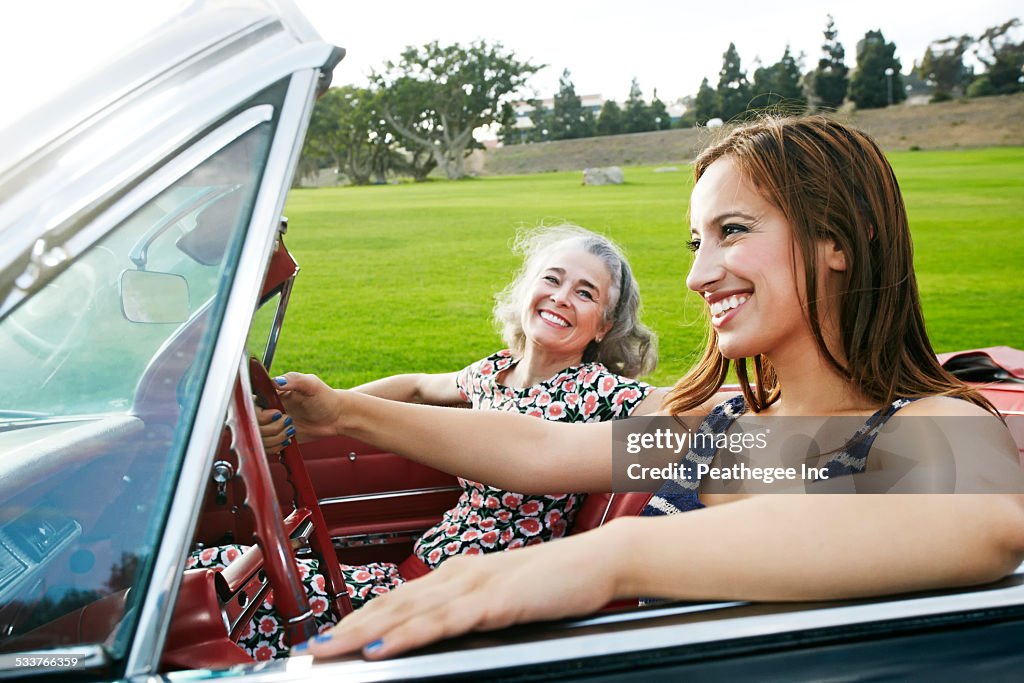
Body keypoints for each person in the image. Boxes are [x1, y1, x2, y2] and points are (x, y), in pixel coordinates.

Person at [266, 116, 1024, 660]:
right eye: (698, 242)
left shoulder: (921, 421)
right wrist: (340, 411)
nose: (698, 276)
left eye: (733, 231)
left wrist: (611, 556)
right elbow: (536, 448)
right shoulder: (728, 429)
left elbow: (982, 516)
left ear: (837, 241)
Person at [193, 224, 666, 660]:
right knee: (211, 572)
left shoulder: (600, 389)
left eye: (585, 294)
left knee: (223, 608)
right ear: (528, 291)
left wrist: (339, 414)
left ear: (603, 327)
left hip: (473, 607)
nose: (562, 297)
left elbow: (685, 411)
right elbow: (417, 386)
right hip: (419, 572)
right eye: (552, 279)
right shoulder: (491, 372)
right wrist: (317, 417)